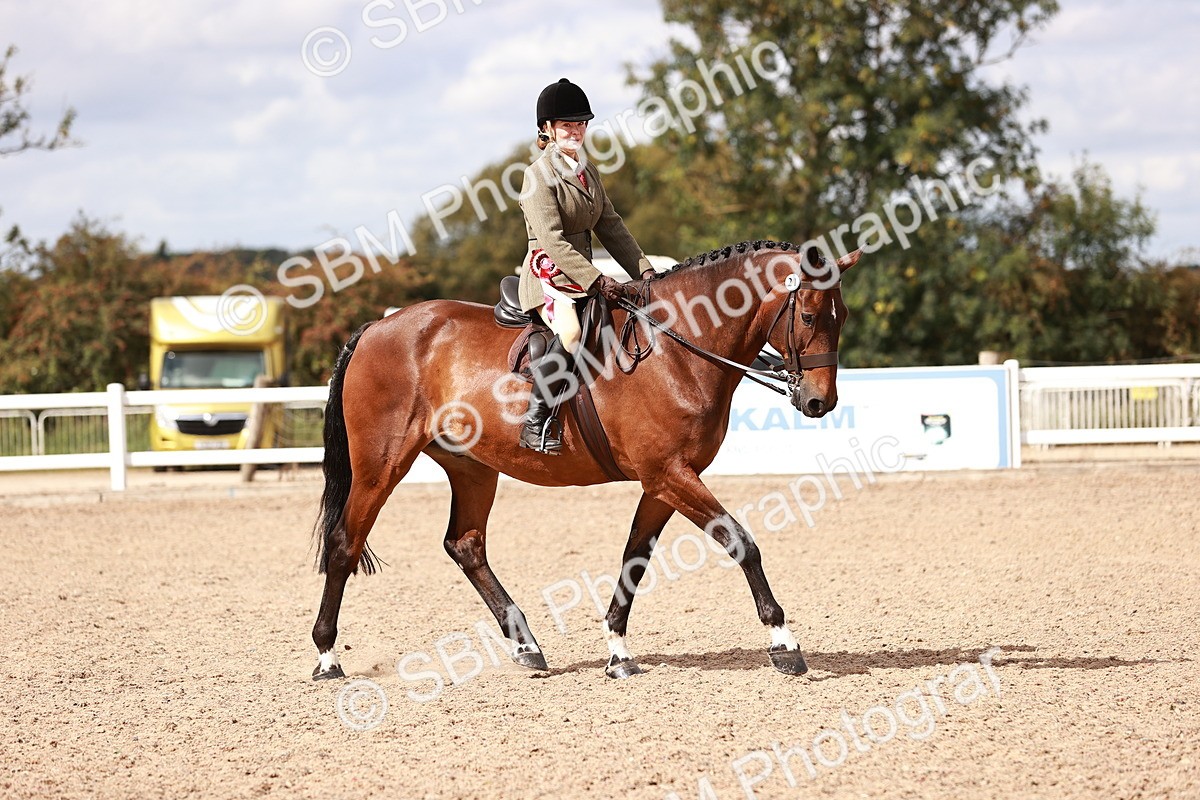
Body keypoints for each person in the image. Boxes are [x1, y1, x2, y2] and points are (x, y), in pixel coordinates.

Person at [516, 77, 652, 454]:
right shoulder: (536, 176)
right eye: (566, 125)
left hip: (580, 273)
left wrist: (643, 269)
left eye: (580, 124)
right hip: (548, 273)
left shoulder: (588, 172)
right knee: (573, 333)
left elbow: (611, 225)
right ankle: (535, 421)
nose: (575, 131)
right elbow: (552, 241)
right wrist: (596, 279)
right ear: (547, 129)